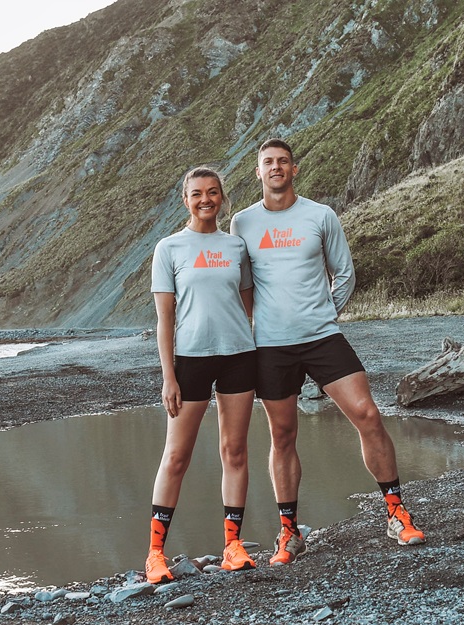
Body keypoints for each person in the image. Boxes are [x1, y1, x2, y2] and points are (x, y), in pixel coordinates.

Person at [229, 138, 425, 566]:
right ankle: (289, 533)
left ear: (294, 169)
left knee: (368, 415)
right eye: (268, 163)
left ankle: (395, 513)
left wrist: (323, 314)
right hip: (272, 348)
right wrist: (261, 326)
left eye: (283, 161)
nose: (276, 167)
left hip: (322, 338)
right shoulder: (242, 223)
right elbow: (244, 284)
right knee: (282, 436)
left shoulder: (321, 215)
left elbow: (345, 272)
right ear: (257, 173)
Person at [145, 166, 258, 584]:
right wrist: (168, 376)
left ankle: (233, 546)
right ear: (185, 199)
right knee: (176, 456)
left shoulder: (236, 246)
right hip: (190, 360)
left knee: (235, 451)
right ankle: (155, 553)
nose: (205, 199)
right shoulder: (169, 248)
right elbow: (164, 321)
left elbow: (249, 307)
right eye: (196, 193)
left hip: (238, 357)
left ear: (222, 197)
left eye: (212, 192)